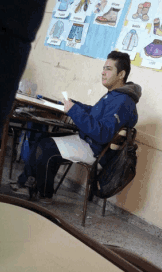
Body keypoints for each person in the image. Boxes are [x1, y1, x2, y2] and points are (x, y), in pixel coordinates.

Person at [11, 51, 142, 204]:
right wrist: (73, 104)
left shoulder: (122, 101)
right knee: (42, 137)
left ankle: (44, 194)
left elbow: (102, 134)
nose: (103, 72)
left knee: (46, 147)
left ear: (121, 74)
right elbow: (94, 113)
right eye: (103, 68)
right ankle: (27, 182)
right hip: (89, 142)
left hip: (96, 151)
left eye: (108, 69)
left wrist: (74, 110)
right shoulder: (115, 95)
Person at [0, 0, 49, 198]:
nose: (104, 72)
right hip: (11, 32)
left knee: (43, 142)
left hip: (7, 32)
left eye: (109, 68)